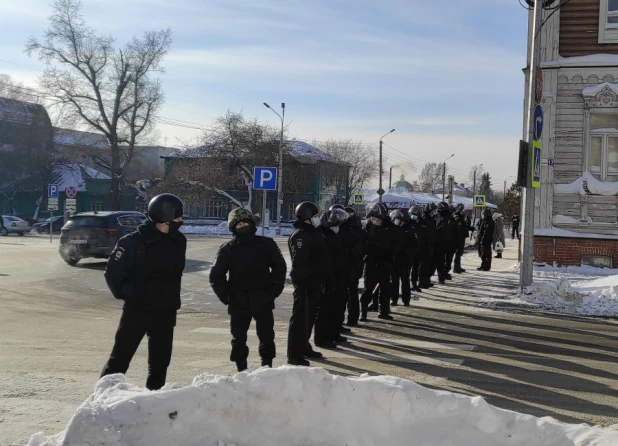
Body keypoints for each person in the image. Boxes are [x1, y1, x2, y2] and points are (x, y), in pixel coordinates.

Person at [100, 193, 186, 391]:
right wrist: (129, 294)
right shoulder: (132, 242)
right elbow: (112, 274)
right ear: (164, 218)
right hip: (137, 311)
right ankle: (101, 401)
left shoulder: (178, 241)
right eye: (177, 218)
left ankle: (152, 404)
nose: (181, 222)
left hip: (166, 311)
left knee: (159, 365)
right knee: (119, 361)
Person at [209, 208, 287, 372]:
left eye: (245, 222)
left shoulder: (266, 244)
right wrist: (227, 297)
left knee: (266, 336)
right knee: (238, 339)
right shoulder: (227, 249)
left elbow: (279, 269)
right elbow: (216, 276)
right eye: (239, 224)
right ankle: (241, 369)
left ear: (252, 223)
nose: (243, 226)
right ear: (233, 227)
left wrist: (272, 292)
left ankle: (267, 367)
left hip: (263, 299)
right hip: (238, 302)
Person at [287, 202, 332, 366]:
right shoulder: (301, 235)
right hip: (305, 284)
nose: (317, 219)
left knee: (309, 318)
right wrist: (307, 281)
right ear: (306, 217)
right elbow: (299, 263)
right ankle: (294, 355)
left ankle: (304, 347)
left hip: (314, 283)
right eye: (314, 216)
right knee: (299, 319)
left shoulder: (312, 232)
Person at [318, 208, 350, 345]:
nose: (337, 227)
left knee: (337, 307)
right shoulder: (322, 236)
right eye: (335, 224)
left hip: (339, 277)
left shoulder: (332, 235)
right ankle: (323, 338)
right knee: (326, 311)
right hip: (328, 279)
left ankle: (334, 333)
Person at [360, 203, 396, 321]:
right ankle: (363, 312)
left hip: (384, 263)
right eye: (375, 219)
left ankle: (383, 311)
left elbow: (394, 243)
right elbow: (362, 246)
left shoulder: (389, 227)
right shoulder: (366, 228)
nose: (377, 221)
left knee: (385, 289)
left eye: (379, 219)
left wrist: (390, 255)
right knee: (368, 289)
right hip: (370, 262)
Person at [340, 206, 366, 327]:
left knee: (343, 295)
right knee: (353, 293)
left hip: (347, 267)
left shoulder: (345, 230)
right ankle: (353, 318)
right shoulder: (360, 229)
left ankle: (341, 321)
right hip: (357, 266)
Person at [390, 209, 416, 306]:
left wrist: (407, 252)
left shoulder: (410, 229)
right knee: (394, 281)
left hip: (405, 259)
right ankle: (394, 299)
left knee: (405, 281)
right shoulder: (393, 229)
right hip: (394, 259)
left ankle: (406, 300)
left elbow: (415, 245)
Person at [434, 202, 456, 284]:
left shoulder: (450, 218)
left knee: (445, 261)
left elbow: (456, 231)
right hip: (441, 243)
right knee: (442, 261)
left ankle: (443, 274)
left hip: (447, 243)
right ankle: (442, 276)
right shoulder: (437, 217)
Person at [419, 203, 437, 289]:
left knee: (429, 264)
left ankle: (427, 280)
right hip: (425, 246)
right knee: (424, 265)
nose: (435, 212)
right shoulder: (425, 220)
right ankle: (422, 282)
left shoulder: (431, 219)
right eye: (433, 210)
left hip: (430, 245)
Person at [408, 205, 425, 294]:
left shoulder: (421, 224)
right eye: (412, 214)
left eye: (415, 214)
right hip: (409, 251)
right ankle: (407, 286)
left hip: (418, 250)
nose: (413, 216)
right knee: (407, 269)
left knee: (415, 268)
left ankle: (414, 284)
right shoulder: (408, 223)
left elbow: (423, 237)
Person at [452, 204, 470, 274]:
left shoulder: (461, 217)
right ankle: (456, 268)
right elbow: (460, 228)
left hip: (461, 237)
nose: (463, 211)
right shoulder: (457, 217)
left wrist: (467, 222)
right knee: (458, 252)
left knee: (460, 252)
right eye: (462, 210)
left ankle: (458, 266)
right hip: (458, 238)